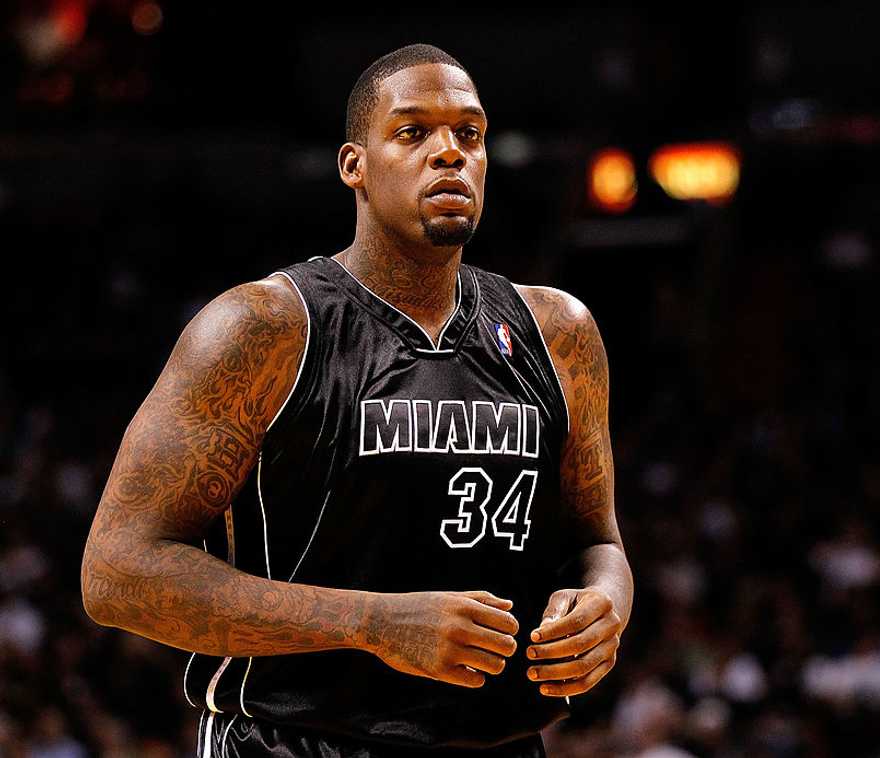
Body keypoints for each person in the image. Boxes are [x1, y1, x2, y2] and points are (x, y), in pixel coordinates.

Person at [80, 43, 632, 757]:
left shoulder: (559, 334)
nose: (449, 154)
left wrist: (606, 606)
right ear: (355, 166)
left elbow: (599, 542)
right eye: (413, 133)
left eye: (469, 134)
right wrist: (371, 624)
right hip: (293, 740)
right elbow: (117, 571)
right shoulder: (263, 329)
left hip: (503, 742)